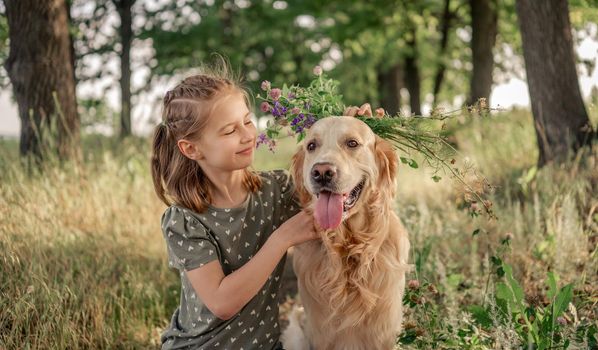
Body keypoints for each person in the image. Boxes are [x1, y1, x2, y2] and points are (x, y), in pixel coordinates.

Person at [150, 64, 319, 350]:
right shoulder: (185, 220)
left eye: (248, 121)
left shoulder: (275, 190)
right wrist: (282, 239)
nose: (246, 135)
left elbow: (330, 207)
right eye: (229, 131)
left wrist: (354, 128)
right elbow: (221, 302)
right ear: (191, 149)